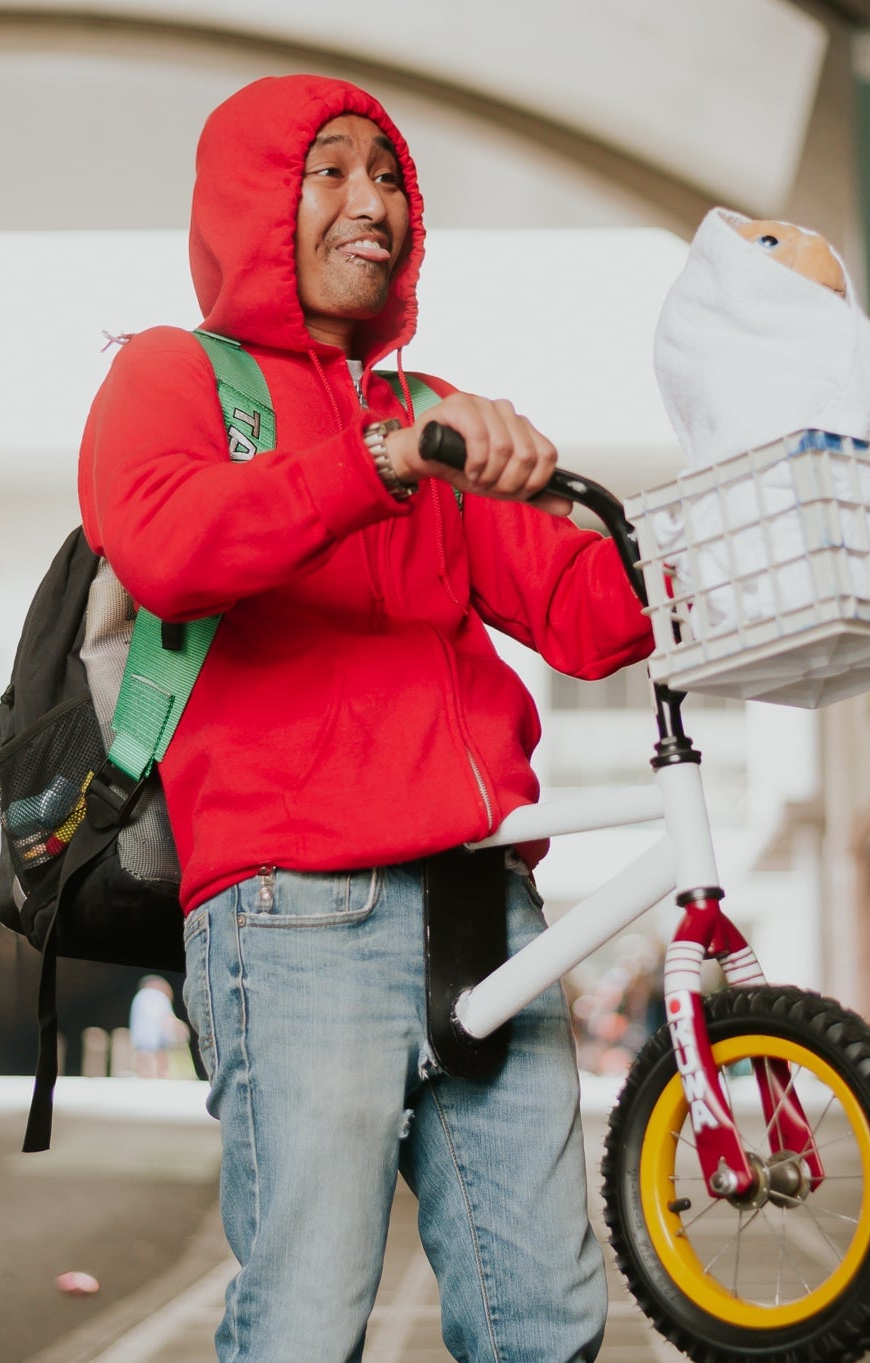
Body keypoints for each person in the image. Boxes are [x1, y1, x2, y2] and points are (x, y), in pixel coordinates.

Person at [78, 74, 652, 1363]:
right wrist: (376, 464)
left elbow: (586, 617)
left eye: (388, 175)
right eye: (328, 170)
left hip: (481, 908)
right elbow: (168, 545)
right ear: (250, 202)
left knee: (547, 1323)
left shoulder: (425, 405)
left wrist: (685, 546)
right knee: (303, 1325)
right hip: (292, 913)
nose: (370, 203)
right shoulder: (173, 376)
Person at [127, 974, 181, 1078]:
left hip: (141, 1032)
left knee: (142, 1052)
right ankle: (161, 1073)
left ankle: (144, 1073)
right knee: (160, 1051)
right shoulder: (158, 996)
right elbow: (166, 1016)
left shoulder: (140, 997)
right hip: (158, 1032)